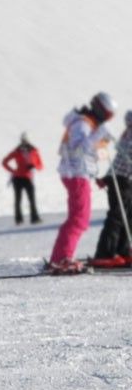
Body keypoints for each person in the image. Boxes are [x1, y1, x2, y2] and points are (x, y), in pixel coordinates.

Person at [50, 92, 117, 274]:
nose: (107, 121)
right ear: (101, 111)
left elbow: (88, 152)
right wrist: (100, 135)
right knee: (79, 219)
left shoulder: (86, 123)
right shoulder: (82, 124)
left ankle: (58, 257)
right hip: (76, 174)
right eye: (108, 116)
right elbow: (77, 148)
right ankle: (63, 258)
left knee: (77, 218)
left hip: (77, 173)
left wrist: (101, 146)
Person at [92, 110, 132, 265]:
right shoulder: (129, 137)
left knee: (128, 216)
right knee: (117, 215)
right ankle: (104, 253)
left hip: (124, 180)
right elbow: (127, 160)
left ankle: (124, 250)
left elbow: (118, 161)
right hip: (119, 180)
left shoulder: (126, 135)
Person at [1, 134, 43, 225]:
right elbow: (4, 162)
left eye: (25, 140)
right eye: (23, 141)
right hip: (18, 178)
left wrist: (34, 166)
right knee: (18, 200)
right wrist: (13, 171)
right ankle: (19, 219)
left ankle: (34, 218)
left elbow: (40, 165)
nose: (24, 143)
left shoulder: (34, 151)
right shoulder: (17, 151)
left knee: (32, 199)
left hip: (28, 178)